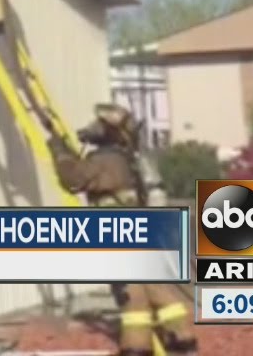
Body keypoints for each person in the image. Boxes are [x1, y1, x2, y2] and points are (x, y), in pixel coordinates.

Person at [48, 103, 197, 356]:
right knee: (152, 291)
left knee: (132, 297)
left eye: (100, 124)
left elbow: (73, 179)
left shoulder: (105, 159)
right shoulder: (129, 159)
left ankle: (137, 350)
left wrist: (59, 151)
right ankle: (182, 342)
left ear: (109, 131)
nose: (93, 128)